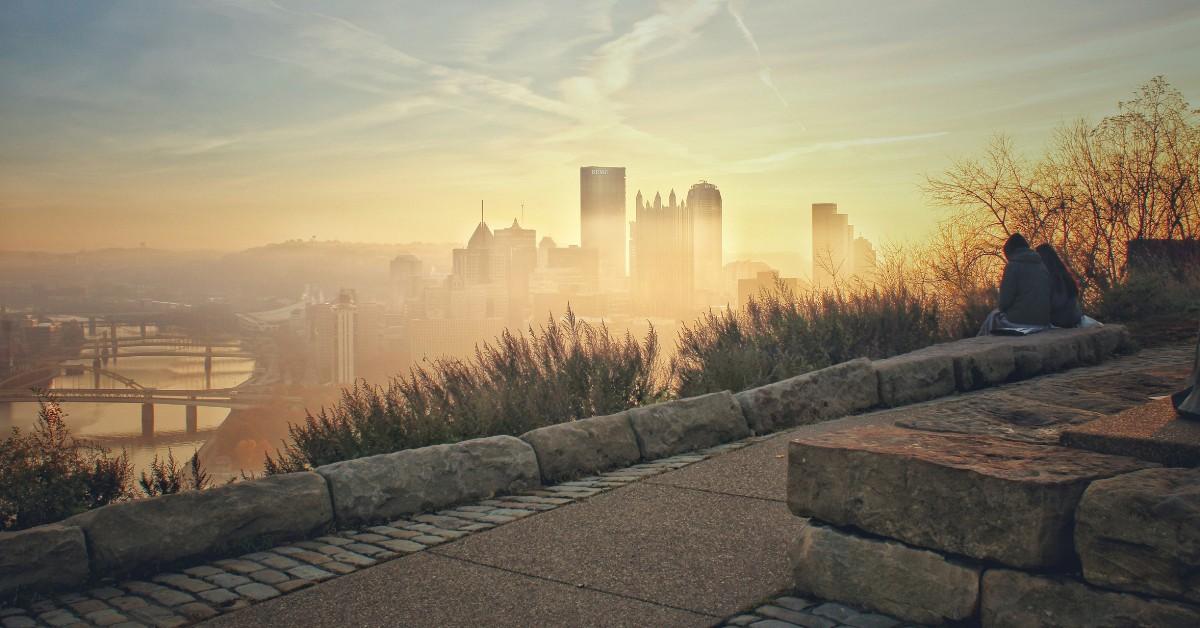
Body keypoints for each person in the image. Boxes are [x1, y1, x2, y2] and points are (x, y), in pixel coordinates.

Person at [978, 233, 1052, 336]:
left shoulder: (1013, 266)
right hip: (1043, 321)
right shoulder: (1042, 265)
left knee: (993, 317)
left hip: (1020, 321)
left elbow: (1004, 302)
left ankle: (981, 344)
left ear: (1011, 252)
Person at [1035, 243, 1083, 328]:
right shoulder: (1065, 273)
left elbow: (1056, 303)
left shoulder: (1050, 277)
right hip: (1075, 316)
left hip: (1061, 320)